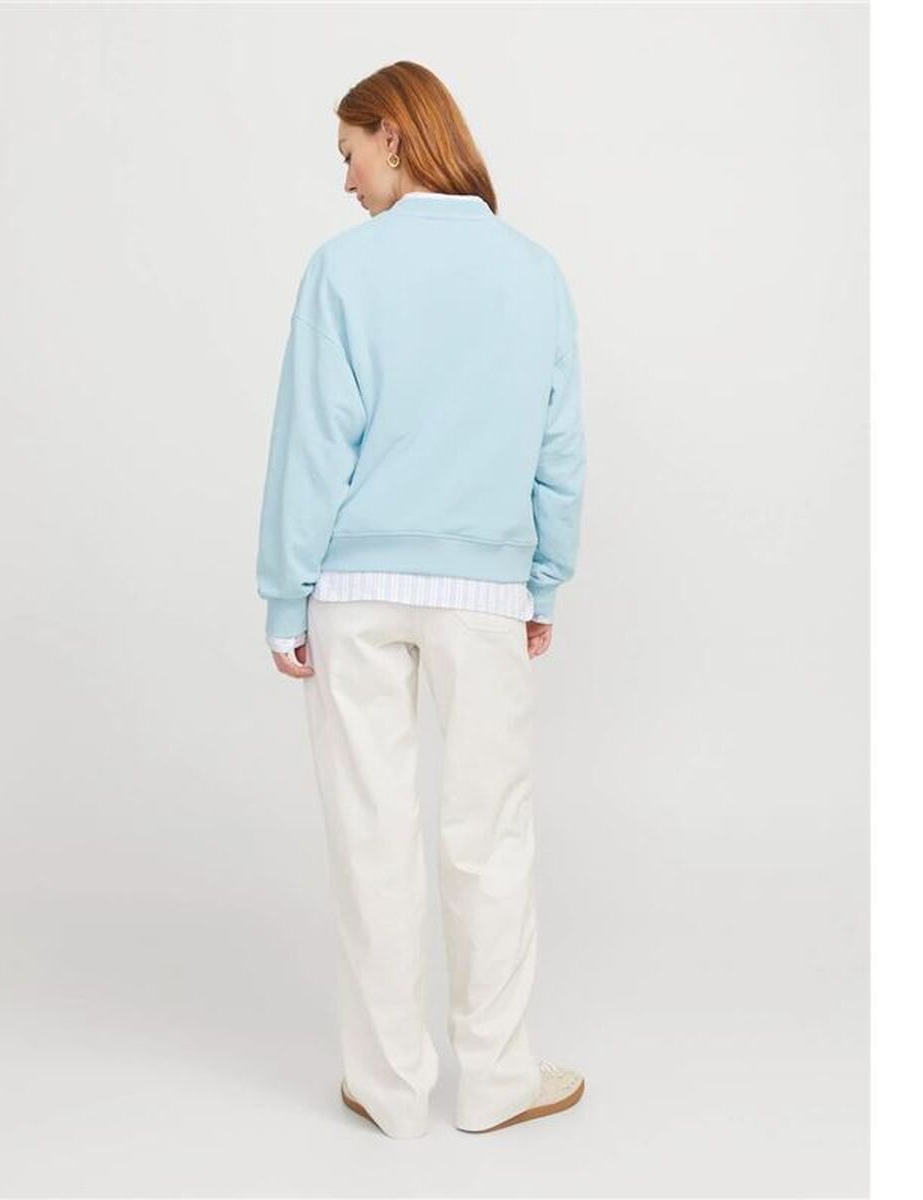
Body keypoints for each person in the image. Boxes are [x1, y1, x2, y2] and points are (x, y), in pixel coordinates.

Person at [255, 60, 588, 1139]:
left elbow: (311, 445)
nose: (345, 179)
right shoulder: (534, 273)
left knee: (372, 833)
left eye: (349, 152)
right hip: (483, 590)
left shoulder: (342, 271)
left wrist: (284, 595)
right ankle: (495, 1078)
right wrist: (543, 579)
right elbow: (558, 451)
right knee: (488, 834)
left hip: (354, 591)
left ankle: (390, 1088)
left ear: (394, 135)